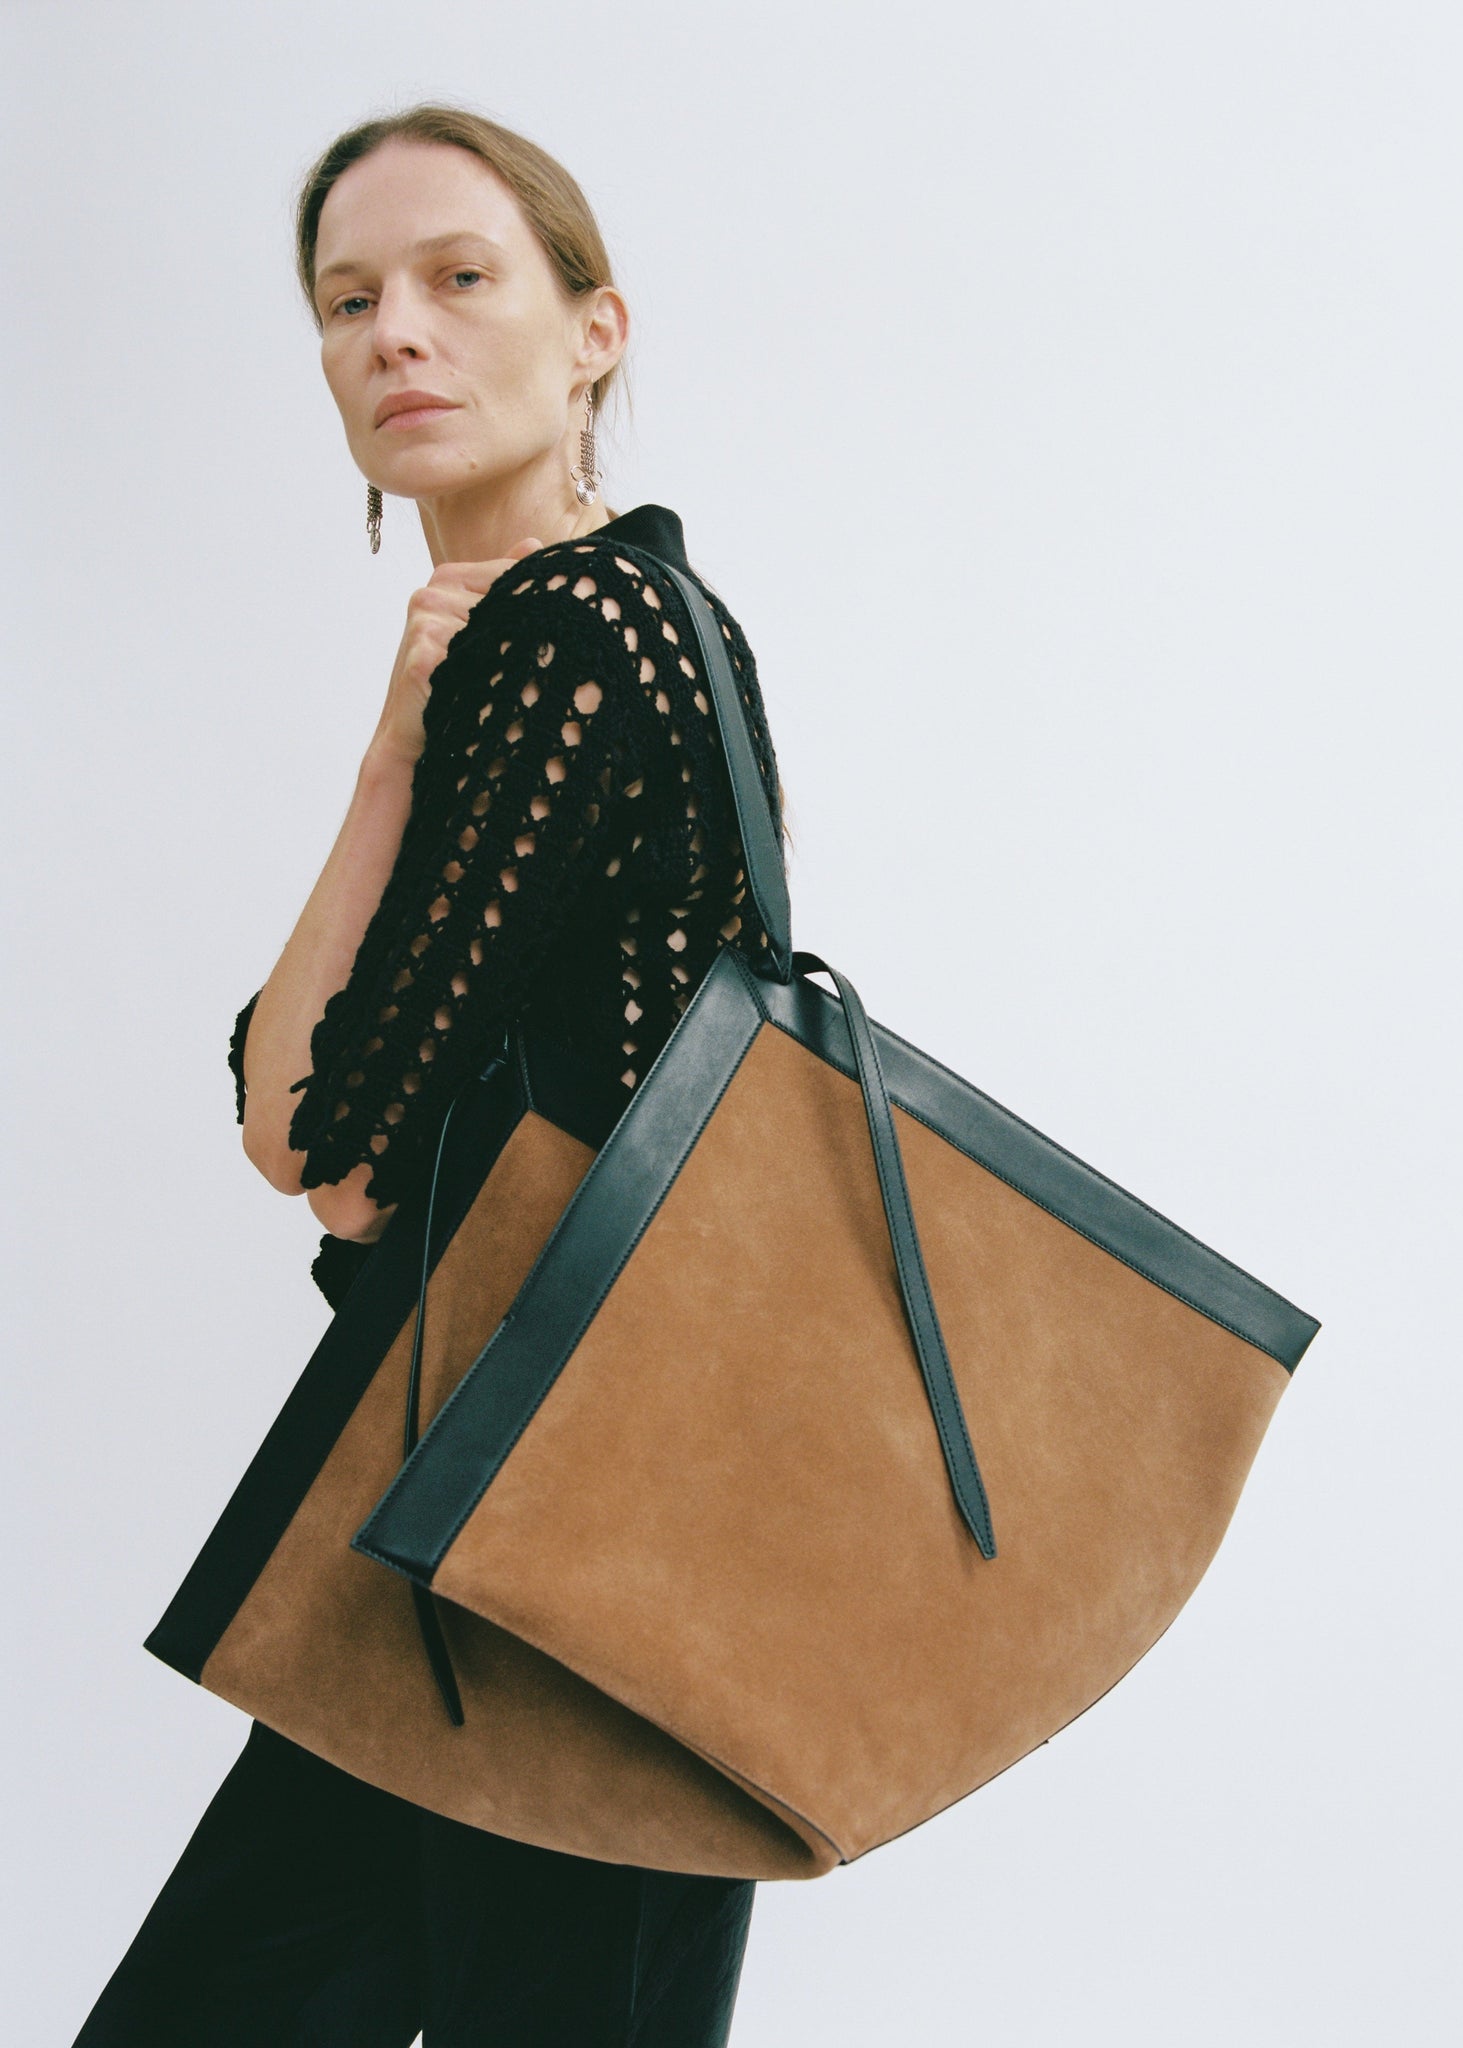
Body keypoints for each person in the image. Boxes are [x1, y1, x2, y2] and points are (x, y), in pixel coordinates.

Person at [74, 102, 784, 2048]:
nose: (394, 330)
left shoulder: (575, 629)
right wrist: (391, 750)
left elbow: (329, 1153)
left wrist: (407, 753)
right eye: (347, 298)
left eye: (461, 277)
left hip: (553, 1537)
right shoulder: (618, 621)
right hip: (543, 1521)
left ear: (595, 331)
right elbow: (299, 1122)